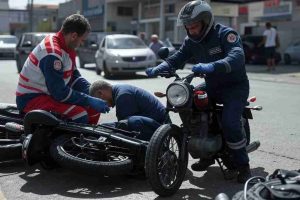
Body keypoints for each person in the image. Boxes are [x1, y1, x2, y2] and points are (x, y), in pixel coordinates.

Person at [146, 0, 251, 183]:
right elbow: (178, 58)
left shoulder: (225, 34)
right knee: (189, 104)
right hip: (212, 86)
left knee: (230, 123)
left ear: (206, 21)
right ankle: (207, 154)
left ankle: (243, 166)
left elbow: (237, 57)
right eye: (188, 27)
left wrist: (212, 66)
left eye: (194, 26)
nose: (191, 30)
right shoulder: (191, 41)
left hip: (234, 87)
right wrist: (160, 67)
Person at [16, 14, 110, 125]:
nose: (81, 44)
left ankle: (86, 137)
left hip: (47, 94)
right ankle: (66, 142)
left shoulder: (67, 47)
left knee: (93, 109)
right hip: (31, 99)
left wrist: (92, 92)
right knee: (79, 114)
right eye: (82, 40)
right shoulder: (52, 53)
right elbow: (59, 93)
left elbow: (74, 77)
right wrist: (89, 99)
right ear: (74, 36)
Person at [89, 80, 167, 141]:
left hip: (159, 123)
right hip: (149, 120)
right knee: (102, 126)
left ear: (100, 93)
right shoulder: (119, 90)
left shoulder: (122, 95)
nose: (107, 106)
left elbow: (124, 125)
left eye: (99, 100)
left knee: (128, 123)